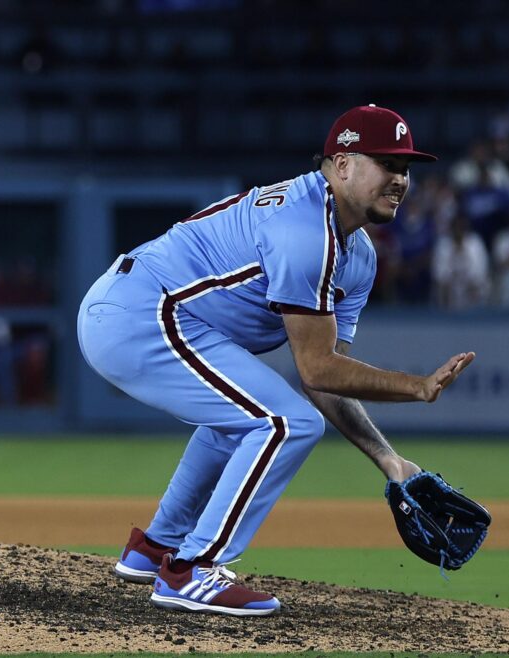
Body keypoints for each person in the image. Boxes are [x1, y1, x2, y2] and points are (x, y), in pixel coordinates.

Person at [78, 104, 475, 616]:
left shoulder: (358, 256)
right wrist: (415, 387)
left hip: (157, 314)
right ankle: (193, 570)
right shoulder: (303, 229)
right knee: (284, 423)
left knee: (246, 420)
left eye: (406, 167)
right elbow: (317, 369)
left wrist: (388, 459)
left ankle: (155, 548)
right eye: (387, 162)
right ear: (344, 164)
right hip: (137, 313)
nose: (400, 178)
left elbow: (325, 379)